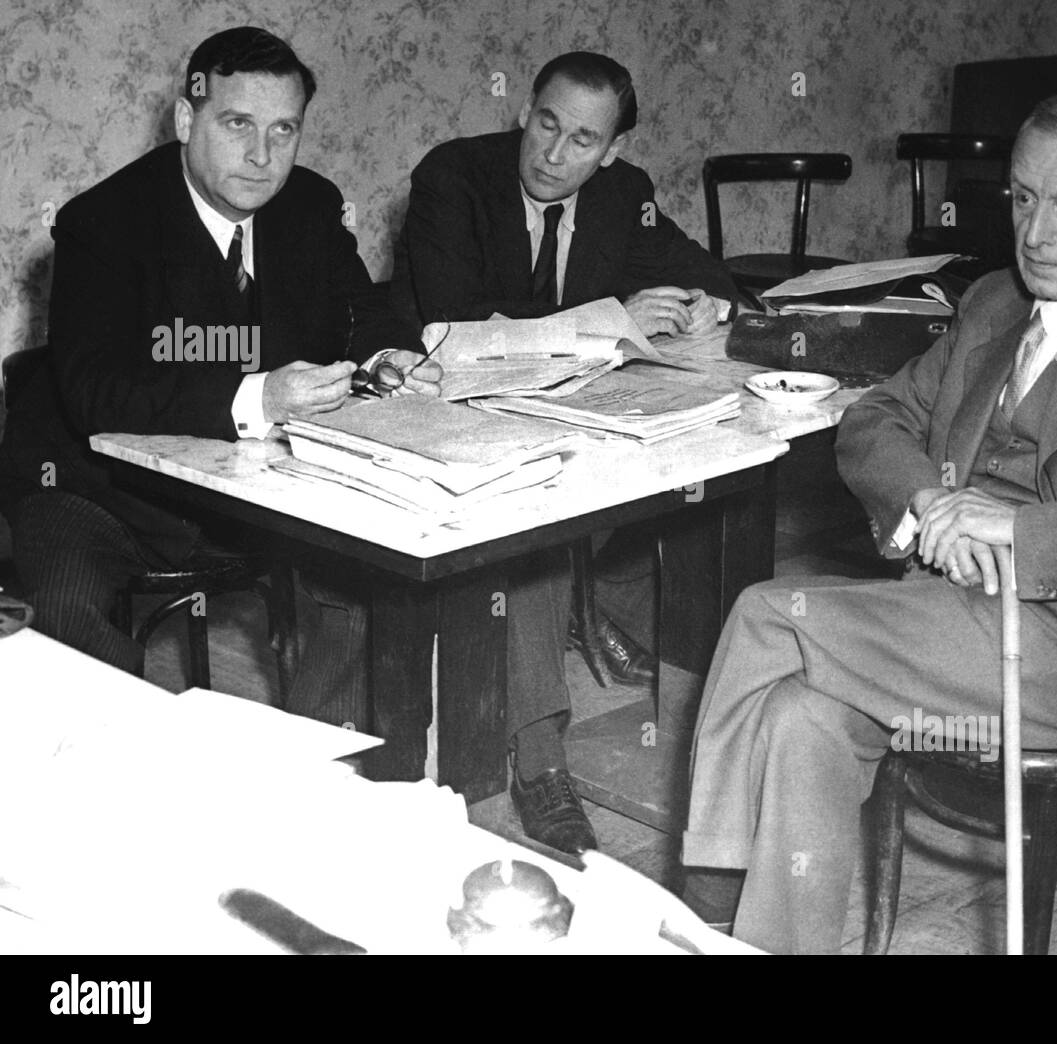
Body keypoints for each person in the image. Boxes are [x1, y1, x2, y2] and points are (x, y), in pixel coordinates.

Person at [678, 88, 1057, 953]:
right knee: (797, 717)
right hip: (961, 624)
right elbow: (875, 421)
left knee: (768, 613)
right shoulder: (994, 304)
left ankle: (699, 919)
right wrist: (926, 504)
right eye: (1022, 199)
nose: (1036, 233)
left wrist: (1016, 532)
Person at [0, 28, 437, 713]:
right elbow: (96, 390)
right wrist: (262, 395)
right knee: (67, 613)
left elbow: (361, 307)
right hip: (95, 489)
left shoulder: (310, 206)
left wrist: (386, 358)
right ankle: (115, 789)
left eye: (283, 130)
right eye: (238, 124)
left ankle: (325, 770)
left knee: (360, 579)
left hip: (257, 485)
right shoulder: (102, 224)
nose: (262, 157)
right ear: (186, 119)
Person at [390, 52, 739, 853]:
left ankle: (661, 666)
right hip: (444, 408)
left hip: (561, 405)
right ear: (525, 111)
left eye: (583, 140)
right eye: (545, 124)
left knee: (699, 460)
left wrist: (699, 303)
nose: (554, 154)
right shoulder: (454, 177)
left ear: (611, 151)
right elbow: (455, 324)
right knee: (541, 527)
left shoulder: (625, 194)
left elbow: (703, 270)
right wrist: (611, 316)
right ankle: (538, 758)